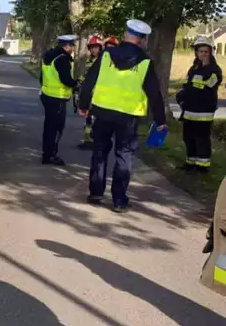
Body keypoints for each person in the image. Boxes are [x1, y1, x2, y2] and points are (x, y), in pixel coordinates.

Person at [78, 19, 166, 212]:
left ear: (125, 35)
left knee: (99, 151)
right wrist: (160, 120)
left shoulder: (106, 54)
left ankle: (96, 192)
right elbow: (154, 94)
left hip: (102, 112)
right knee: (124, 155)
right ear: (142, 40)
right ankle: (119, 200)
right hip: (128, 117)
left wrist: (83, 105)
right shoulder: (145, 62)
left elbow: (89, 82)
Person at [176, 36, 222, 173]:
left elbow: (211, 83)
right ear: (196, 52)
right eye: (201, 51)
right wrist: (181, 95)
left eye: (206, 52)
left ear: (210, 53)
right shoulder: (193, 68)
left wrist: (206, 66)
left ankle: (202, 167)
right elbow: (189, 85)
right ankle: (190, 163)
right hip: (189, 110)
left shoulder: (214, 70)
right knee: (188, 138)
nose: (203, 54)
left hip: (204, 112)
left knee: (201, 139)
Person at [39, 34, 78, 165]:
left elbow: (41, 77)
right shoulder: (62, 59)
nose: (72, 48)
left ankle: (46, 154)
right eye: (72, 46)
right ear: (66, 46)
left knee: (48, 127)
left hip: (46, 95)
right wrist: (75, 84)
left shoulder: (48, 56)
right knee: (57, 128)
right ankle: (51, 155)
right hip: (58, 98)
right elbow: (65, 79)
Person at [77, 35, 104, 149]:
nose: (93, 49)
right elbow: (88, 75)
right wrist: (79, 81)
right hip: (90, 94)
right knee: (88, 117)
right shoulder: (90, 60)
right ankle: (88, 139)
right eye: (91, 47)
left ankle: (96, 139)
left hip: (99, 94)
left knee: (96, 118)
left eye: (96, 47)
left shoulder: (104, 61)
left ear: (100, 48)